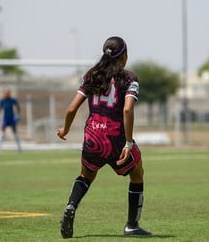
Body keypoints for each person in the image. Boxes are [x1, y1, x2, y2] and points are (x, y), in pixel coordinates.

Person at [57, 36, 152, 238]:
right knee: (137, 173)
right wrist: (128, 142)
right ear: (124, 56)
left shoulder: (92, 75)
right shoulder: (129, 79)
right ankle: (132, 225)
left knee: (85, 176)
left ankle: (71, 205)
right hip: (116, 138)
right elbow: (127, 110)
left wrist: (65, 130)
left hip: (93, 136)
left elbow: (72, 108)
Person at [0, 89, 21, 156]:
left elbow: (18, 107)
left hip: (12, 118)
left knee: (15, 132)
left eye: (8, 93)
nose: (6, 95)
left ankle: (19, 148)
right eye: (5, 93)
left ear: (10, 94)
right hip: (5, 119)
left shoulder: (13, 100)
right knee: (1, 132)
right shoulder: (2, 101)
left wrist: (18, 115)